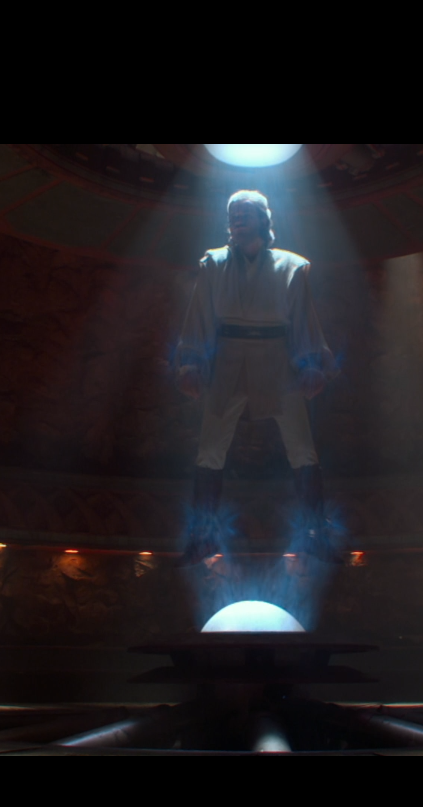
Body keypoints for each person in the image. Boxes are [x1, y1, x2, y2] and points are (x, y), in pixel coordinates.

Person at [173, 190, 342, 566]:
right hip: (228, 361)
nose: (237, 217)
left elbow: (303, 319)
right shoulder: (213, 263)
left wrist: (311, 363)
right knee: (209, 449)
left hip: (277, 361)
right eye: (232, 213)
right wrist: (191, 362)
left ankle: (315, 533)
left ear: (264, 219)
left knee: (302, 448)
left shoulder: (292, 266)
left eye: (245, 212)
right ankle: (203, 535)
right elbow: (199, 314)